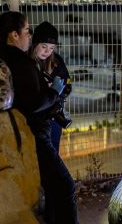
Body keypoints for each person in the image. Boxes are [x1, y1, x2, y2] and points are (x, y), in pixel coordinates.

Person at [0, 12, 78, 224]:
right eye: (27, 31)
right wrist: (53, 92)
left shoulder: (0, 58)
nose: (29, 35)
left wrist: (57, 92)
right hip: (33, 134)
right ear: (14, 35)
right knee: (63, 185)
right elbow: (33, 104)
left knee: (48, 184)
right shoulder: (21, 62)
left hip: (19, 133)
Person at [28, 21, 72, 153]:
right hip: (33, 120)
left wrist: (58, 92)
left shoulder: (56, 61)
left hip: (53, 118)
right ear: (35, 43)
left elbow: (68, 85)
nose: (47, 51)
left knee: (53, 155)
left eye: (51, 48)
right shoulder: (26, 62)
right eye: (44, 46)